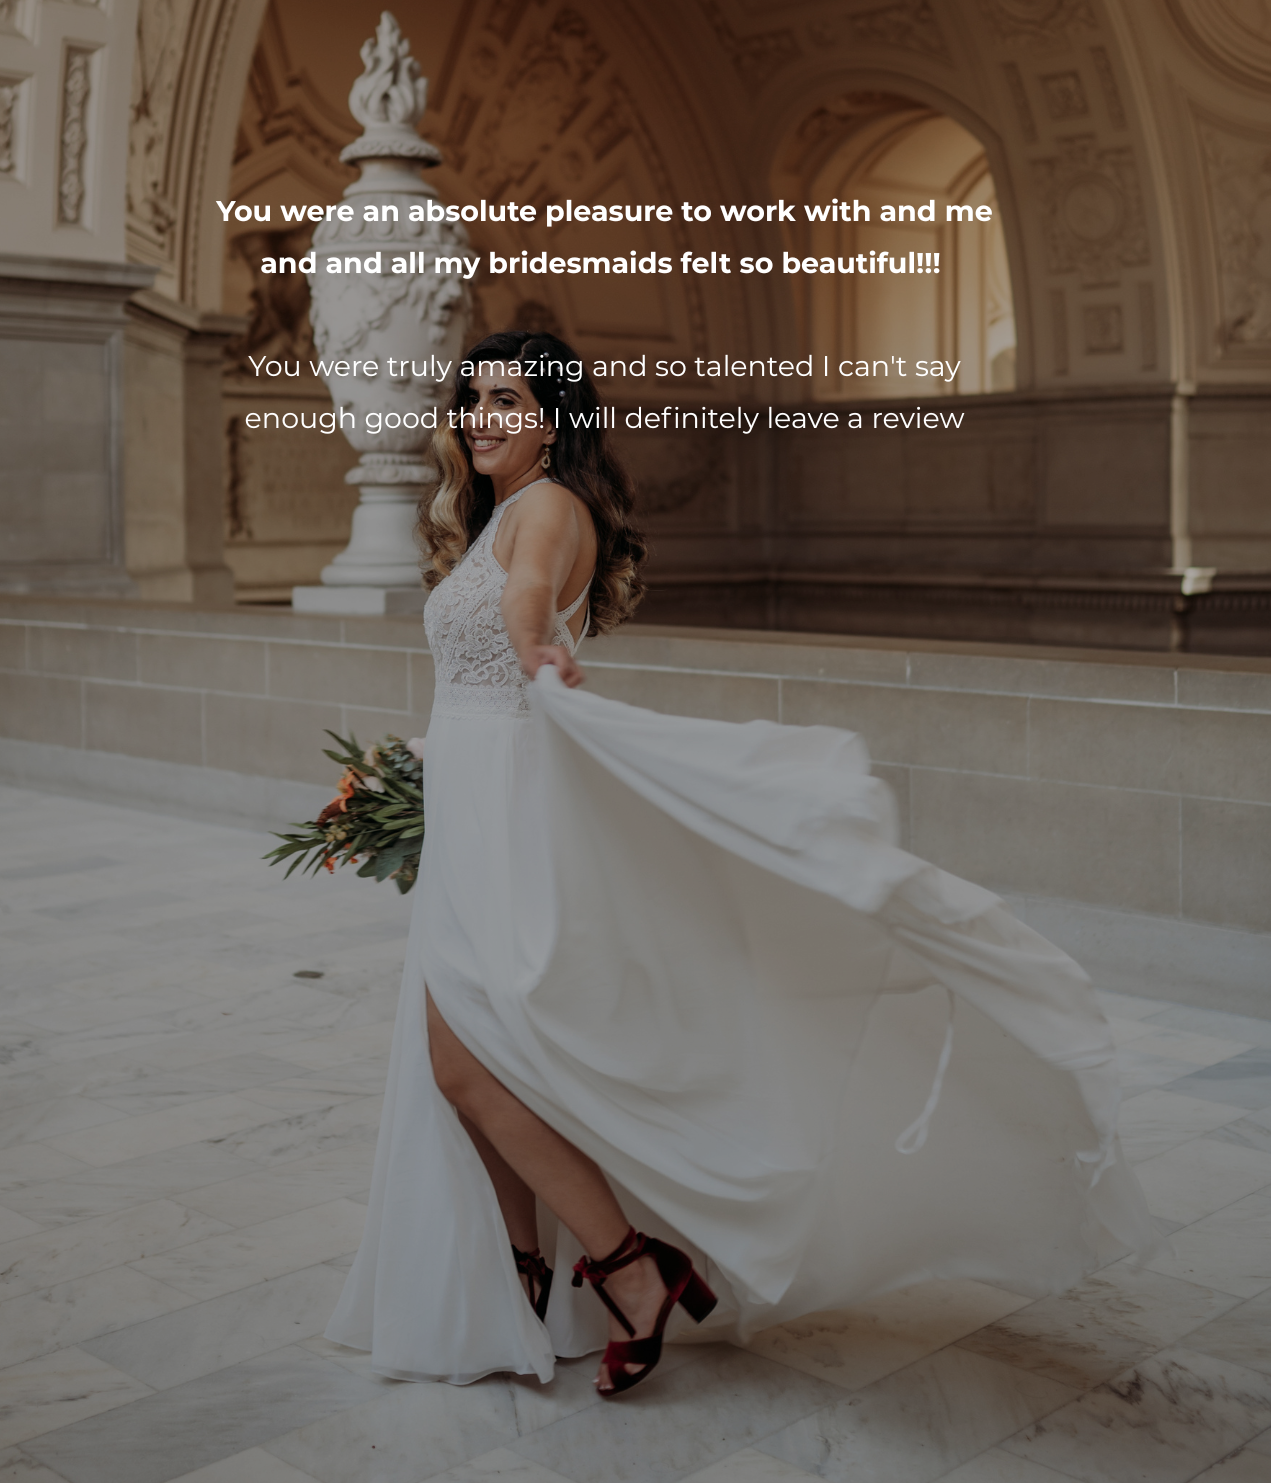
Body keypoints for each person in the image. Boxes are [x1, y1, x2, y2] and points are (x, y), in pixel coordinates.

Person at [326, 330, 1156, 1395]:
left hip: (506, 813)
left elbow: (525, 610)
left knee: (467, 1061)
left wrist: (535, 648)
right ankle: (529, 1270)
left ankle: (628, 1265)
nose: (481, 415)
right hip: (479, 788)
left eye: (506, 399)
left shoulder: (543, 510)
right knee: (478, 1059)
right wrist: (404, 771)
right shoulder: (505, 511)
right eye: (472, 397)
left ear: (551, 419)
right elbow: (479, 687)